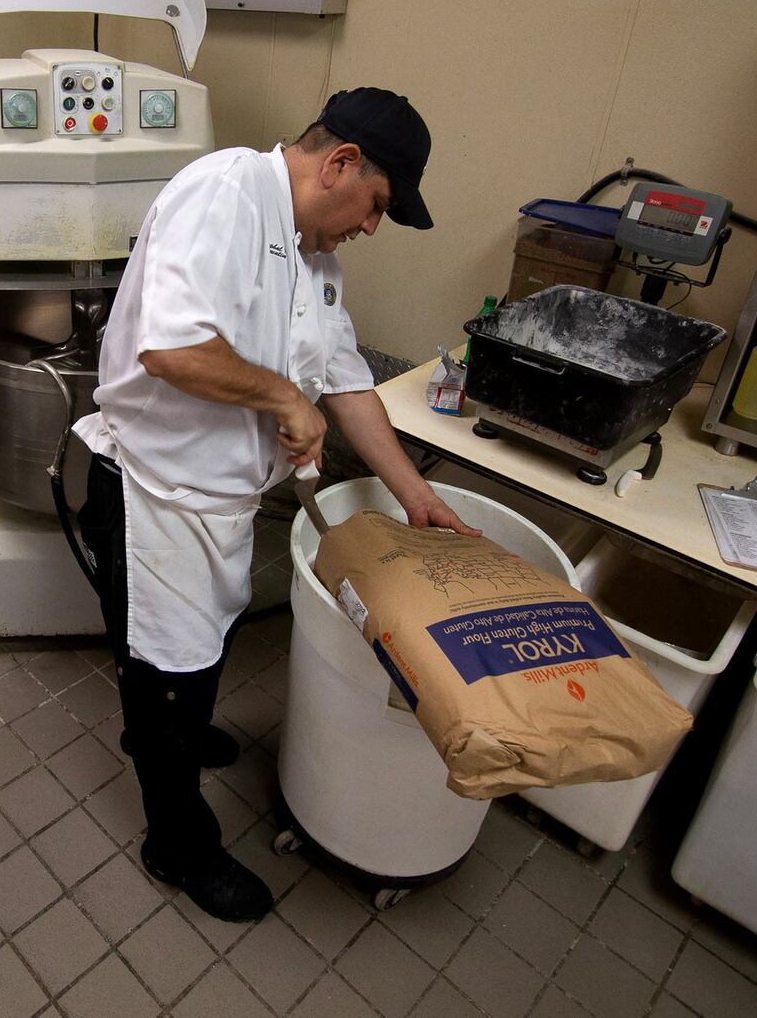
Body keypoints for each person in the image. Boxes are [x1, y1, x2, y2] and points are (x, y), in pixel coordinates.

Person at [72, 86, 480, 923]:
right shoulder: (222, 192)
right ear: (340, 164)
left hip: (217, 501)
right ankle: (175, 843)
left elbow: (346, 379)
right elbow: (171, 345)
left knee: (199, 644)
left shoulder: (312, 256)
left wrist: (416, 495)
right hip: (157, 496)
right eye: (377, 206)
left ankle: (169, 729)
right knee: (167, 667)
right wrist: (283, 402)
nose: (370, 228)